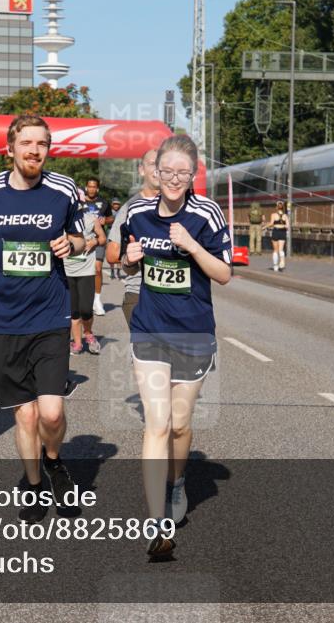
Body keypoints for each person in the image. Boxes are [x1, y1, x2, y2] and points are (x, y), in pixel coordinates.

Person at [0, 114, 85, 522]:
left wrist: (73, 242)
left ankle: (53, 460)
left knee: (50, 413)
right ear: (10, 148)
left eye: (42, 144)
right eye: (27, 143)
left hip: (50, 314)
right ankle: (33, 484)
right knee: (25, 413)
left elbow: (88, 238)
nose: (35, 151)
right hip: (5, 319)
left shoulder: (63, 189)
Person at [121, 134, 232, 559]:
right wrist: (129, 260)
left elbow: (223, 274)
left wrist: (190, 245)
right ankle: (157, 524)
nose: (173, 179)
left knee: (181, 427)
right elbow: (126, 263)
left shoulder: (207, 214)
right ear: (154, 172)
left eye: (182, 173)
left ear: (192, 175)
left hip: (193, 332)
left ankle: (178, 480)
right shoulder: (137, 212)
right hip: (149, 330)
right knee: (158, 424)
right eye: (166, 171)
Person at [107, 148, 160, 326]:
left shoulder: (181, 206)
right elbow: (111, 255)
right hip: (139, 294)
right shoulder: (130, 208)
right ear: (141, 169)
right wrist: (132, 256)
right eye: (153, 163)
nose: (158, 169)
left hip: (177, 296)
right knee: (147, 352)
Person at [66, 190, 105, 355]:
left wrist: (94, 241)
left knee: (86, 309)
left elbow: (103, 238)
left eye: (79, 203)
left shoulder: (90, 218)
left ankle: (88, 334)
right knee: (73, 310)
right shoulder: (61, 219)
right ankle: (77, 343)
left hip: (86, 270)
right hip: (67, 270)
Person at [83, 177, 113, 315]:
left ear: (97, 189)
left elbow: (112, 218)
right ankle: (82, 300)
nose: (91, 189)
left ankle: (97, 300)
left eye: (94, 187)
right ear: (86, 187)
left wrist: (105, 220)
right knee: (81, 271)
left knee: (98, 269)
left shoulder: (104, 202)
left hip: (99, 239)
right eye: (89, 186)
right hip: (82, 240)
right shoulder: (79, 201)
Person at [266, 200, 289, 271]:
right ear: (283, 207)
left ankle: (275, 266)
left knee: (275, 250)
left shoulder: (273, 215)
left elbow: (271, 223)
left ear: (277, 207)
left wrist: (264, 227)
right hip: (283, 232)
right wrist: (283, 226)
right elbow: (287, 226)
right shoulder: (285, 216)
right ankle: (282, 263)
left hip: (276, 231)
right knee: (281, 249)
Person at [108, 198, 122, 279]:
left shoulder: (121, 212)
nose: (116, 205)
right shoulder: (109, 212)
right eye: (115, 204)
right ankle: (112, 271)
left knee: (119, 252)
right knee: (111, 252)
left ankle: (118, 271)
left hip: (119, 233)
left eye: (117, 204)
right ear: (112, 204)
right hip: (110, 232)